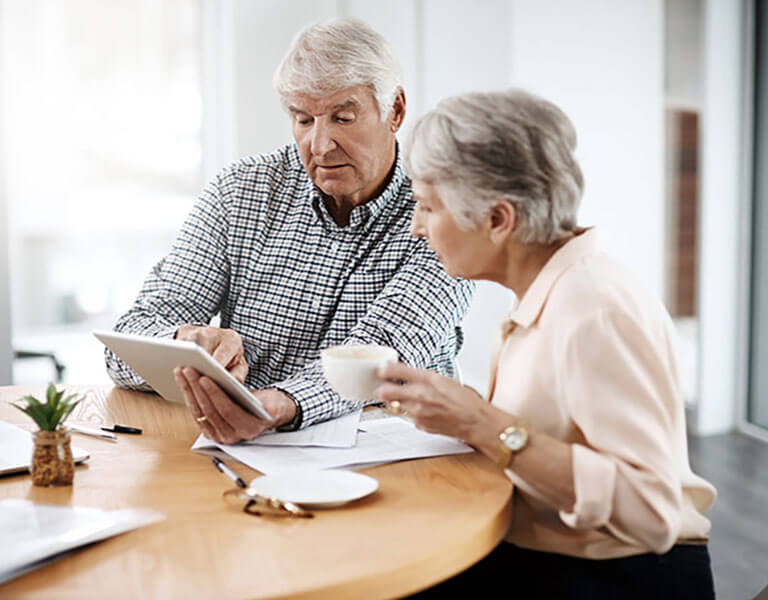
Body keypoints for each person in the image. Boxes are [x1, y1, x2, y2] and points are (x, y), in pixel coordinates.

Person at [376, 89, 716, 598]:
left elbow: (652, 512)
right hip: (550, 557)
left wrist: (481, 423)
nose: (416, 227)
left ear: (498, 220)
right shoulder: (545, 291)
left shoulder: (593, 310)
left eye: (426, 206)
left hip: (621, 578)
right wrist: (453, 416)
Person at [105, 18, 473, 442]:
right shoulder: (239, 192)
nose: (319, 145)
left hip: (397, 455)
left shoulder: (442, 211)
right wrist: (185, 343)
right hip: (248, 449)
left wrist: (278, 406)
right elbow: (129, 342)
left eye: (343, 117)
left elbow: (380, 362)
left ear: (395, 111)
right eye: (303, 120)